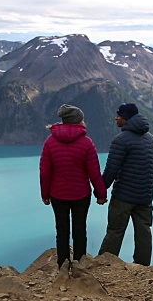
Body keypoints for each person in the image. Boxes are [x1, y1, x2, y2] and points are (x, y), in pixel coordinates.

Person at [40, 104, 108, 268]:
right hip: (81, 195)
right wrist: (101, 194)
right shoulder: (86, 142)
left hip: (57, 194)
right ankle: (79, 263)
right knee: (80, 229)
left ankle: (63, 264)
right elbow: (94, 172)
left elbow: (44, 172)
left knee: (61, 230)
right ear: (78, 121)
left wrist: (45, 194)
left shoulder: (50, 141)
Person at [98, 103, 153, 266]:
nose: (116, 118)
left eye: (119, 115)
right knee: (144, 232)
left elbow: (111, 169)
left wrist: (100, 192)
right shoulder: (150, 139)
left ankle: (104, 265)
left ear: (127, 118)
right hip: (145, 197)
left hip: (123, 196)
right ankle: (142, 266)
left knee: (115, 231)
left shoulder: (121, 140)